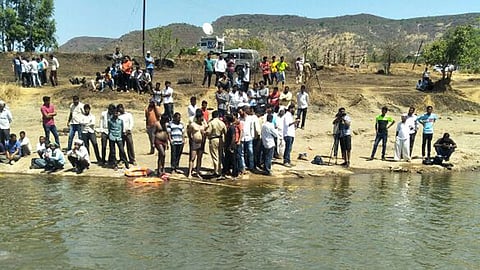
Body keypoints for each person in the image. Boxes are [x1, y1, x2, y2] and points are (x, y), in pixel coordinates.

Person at [187, 109, 207, 178]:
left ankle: (197, 172)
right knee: (192, 158)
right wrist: (190, 138)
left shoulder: (203, 125)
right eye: (201, 117)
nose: (202, 118)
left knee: (199, 158)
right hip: (194, 142)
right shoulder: (193, 124)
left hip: (201, 142)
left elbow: (206, 131)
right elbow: (189, 132)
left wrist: (204, 133)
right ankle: (190, 172)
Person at [205, 110, 227, 177]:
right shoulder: (221, 123)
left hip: (213, 139)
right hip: (220, 139)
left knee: (215, 156)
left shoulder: (211, 123)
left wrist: (204, 132)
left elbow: (208, 132)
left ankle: (216, 171)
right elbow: (225, 131)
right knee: (220, 155)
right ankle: (220, 169)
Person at [221, 114, 239, 180]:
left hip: (231, 146)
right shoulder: (228, 126)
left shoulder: (231, 127)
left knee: (233, 160)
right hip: (228, 145)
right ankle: (226, 171)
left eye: (225, 118)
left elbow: (233, 137)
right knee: (227, 159)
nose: (224, 118)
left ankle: (235, 174)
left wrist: (231, 146)